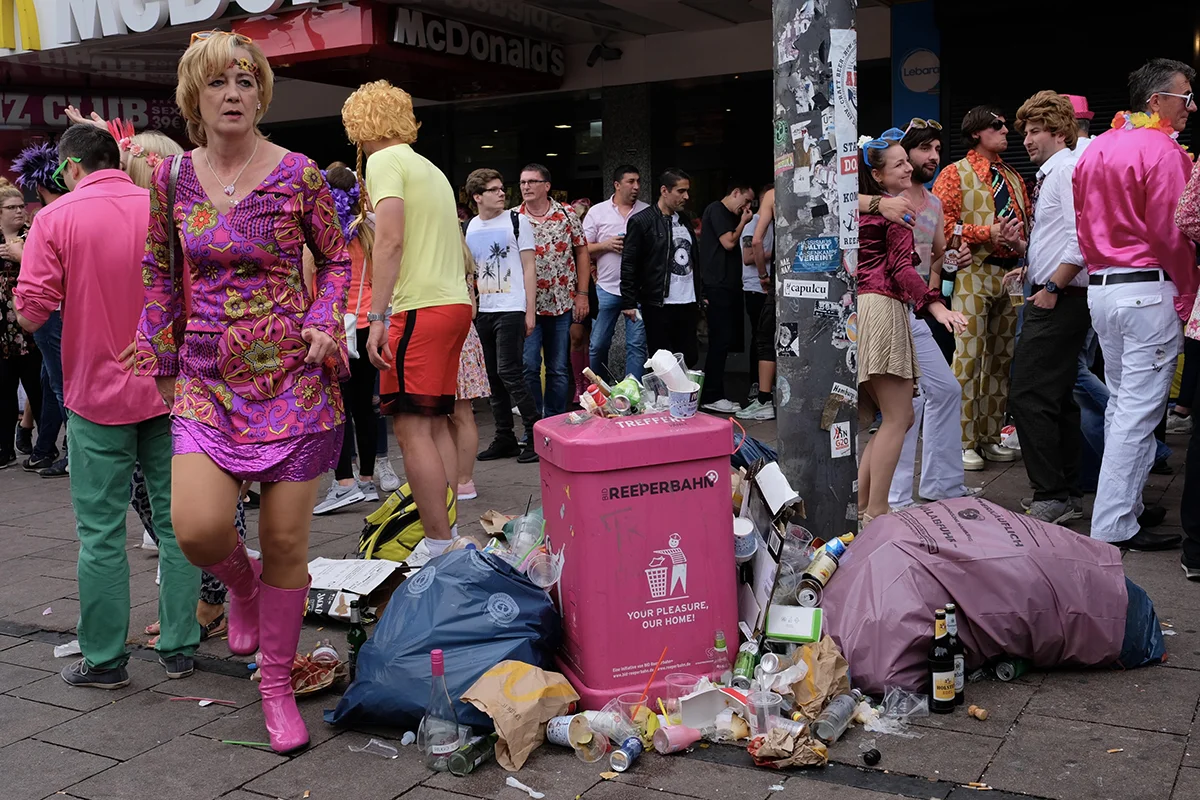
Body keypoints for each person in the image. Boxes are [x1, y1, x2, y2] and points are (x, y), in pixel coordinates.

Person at [134, 33, 351, 753]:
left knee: (287, 537)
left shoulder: (299, 175)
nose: (234, 94)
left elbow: (341, 255)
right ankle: (244, 587)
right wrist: (159, 354)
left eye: (247, 81)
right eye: (219, 82)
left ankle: (277, 686)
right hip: (206, 379)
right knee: (195, 530)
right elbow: (161, 274)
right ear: (195, 96)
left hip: (292, 379)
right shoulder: (169, 182)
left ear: (260, 93)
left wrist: (325, 321)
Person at [16, 123, 202, 689]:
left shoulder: (55, 218)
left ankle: (104, 659)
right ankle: (179, 647)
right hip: (169, 386)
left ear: (72, 167)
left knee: (99, 534)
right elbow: (198, 294)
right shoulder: (163, 208)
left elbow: (31, 309)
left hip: (96, 392)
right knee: (177, 526)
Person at [342, 79, 471, 558]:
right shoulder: (428, 167)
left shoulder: (382, 161)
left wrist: (377, 314)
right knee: (435, 424)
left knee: (412, 428)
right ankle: (446, 536)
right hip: (452, 304)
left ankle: (438, 543)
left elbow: (390, 239)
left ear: (361, 124)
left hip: (419, 307)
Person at [1074, 58, 1197, 551]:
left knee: (1124, 405)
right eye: (1186, 97)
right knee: (1136, 411)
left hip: (1104, 289)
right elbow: (1174, 232)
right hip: (1148, 289)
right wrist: (1189, 292)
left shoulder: (1097, 147)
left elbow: (1081, 224)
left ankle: (1120, 513)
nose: (1192, 106)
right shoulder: (1163, 150)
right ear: (1157, 101)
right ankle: (1114, 524)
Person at [860, 122, 977, 509]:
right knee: (898, 416)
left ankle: (870, 507)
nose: (925, 159)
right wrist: (936, 304)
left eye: (937, 148)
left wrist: (951, 262)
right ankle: (879, 510)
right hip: (889, 308)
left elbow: (935, 255)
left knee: (896, 415)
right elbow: (901, 269)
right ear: (879, 173)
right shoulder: (891, 207)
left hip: (885, 308)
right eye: (902, 162)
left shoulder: (915, 203)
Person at [1005, 92, 1091, 524]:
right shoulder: (1056, 171)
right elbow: (1060, 237)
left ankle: (1052, 494)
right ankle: (1068, 491)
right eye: (1025, 132)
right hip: (1056, 291)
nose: (1027, 139)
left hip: (1062, 298)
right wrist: (1028, 262)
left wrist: (1052, 285)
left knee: (1027, 393)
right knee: (1057, 397)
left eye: (1035, 130)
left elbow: (1081, 239)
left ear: (1060, 132)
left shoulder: (1065, 171)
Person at [932, 105, 1030, 471]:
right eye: (997, 126)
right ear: (976, 133)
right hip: (974, 270)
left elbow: (1026, 222)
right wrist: (985, 233)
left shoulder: (1015, 177)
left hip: (1009, 274)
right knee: (969, 357)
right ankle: (961, 440)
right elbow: (943, 225)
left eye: (1005, 126)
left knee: (1001, 359)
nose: (1006, 131)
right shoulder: (954, 173)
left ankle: (989, 436)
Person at [313, 164, 381, 515]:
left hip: (335, 325)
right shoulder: (369, 229)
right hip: (368, 321)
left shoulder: (324, 231)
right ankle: (367, 480)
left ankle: (344, 483)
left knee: (336, 407)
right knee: (365, 408)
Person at [464, 168, 539, 464]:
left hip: (511, 306)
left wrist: (529, 310)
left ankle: (534, 431)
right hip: (484, 309)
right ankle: (504, 436)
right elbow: (469, 270)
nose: (501, 193)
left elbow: (529, 267)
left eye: (501, 188)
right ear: (477, 197)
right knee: (492, 375)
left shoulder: (517, 221)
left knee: (510, 371)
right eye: (493, 190)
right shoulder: (469, 226)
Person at [10, 143, 68, 477]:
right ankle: (45, 447)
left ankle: (73, 453)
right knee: (49, 382)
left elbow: (49, 273)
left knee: (61, 385)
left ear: (42, 188)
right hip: (59, 312)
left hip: (52, 312)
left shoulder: (49, 218)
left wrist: (21, 258)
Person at [517, 163, 589, 419]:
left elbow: (582, 251)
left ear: (546, 186)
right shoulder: (514, 217)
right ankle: (533, 422)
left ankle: (556, 420)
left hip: (561, 303)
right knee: (529, 366)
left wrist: (582, 294)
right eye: (523, 182)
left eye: (532, 182)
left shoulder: (567, 213)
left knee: (558, 367)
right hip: (528, 306)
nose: (526, 186)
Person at [621, 169, 703, 364]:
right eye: (681, 191)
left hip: (688, 300)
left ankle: (684, 395)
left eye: (687, 191)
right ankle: (663, 396)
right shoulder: (642, 221)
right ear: (664, 191)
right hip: (659, 302)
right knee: (662, 361)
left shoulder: (684, 219)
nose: (686, 196)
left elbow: (694, 260)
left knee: (689, 358)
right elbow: (629, 263)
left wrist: (701, 294)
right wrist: (629, 302)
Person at [585, 165, 649, 383]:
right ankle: (600, 389)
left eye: (638, 181)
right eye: (631, 181)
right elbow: (581, 248)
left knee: (637, 345)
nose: (636, 187)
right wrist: (606, 245)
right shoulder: (597, 211)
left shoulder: (647, 211)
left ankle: (632, 394)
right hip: (606, 288)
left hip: (639, 291)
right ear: (617, 184)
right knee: (597, 345)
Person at [698, 181, 756, 413]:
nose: (747, 207)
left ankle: (715, 393)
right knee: (719, 341)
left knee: (724, 340)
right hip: (717, 285)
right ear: (735, 192)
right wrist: (743, 222)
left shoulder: (727, 215)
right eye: (746, 200)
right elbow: (729, 242)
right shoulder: (717, 210)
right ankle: (712, 394)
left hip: (727, 285)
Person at [0, 180, 41, 470]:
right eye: (11, 207)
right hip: (2, 326)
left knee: (37, 387)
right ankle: (4, 449)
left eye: (20, 207)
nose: (18, 212)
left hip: (29, 325)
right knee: (3, 389)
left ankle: (45, 443)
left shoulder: (34, 236)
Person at [452, 238, 489, 501]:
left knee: (459, 414)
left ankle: (463, 479)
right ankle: (460, 477)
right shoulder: (461, 256)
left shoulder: (445, 259)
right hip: (465, 336)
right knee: (459, 414)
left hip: (454, 339)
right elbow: (473, 309)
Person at [738, 186, 777, 421]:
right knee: (763, 336)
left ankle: (764, 397)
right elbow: (750, 252)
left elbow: (757, 243)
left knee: (767, 338)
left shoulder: (769, 215)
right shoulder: (759, 221)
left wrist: (765, 274)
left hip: (774, 283)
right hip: (759, 287)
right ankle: (761, 392)